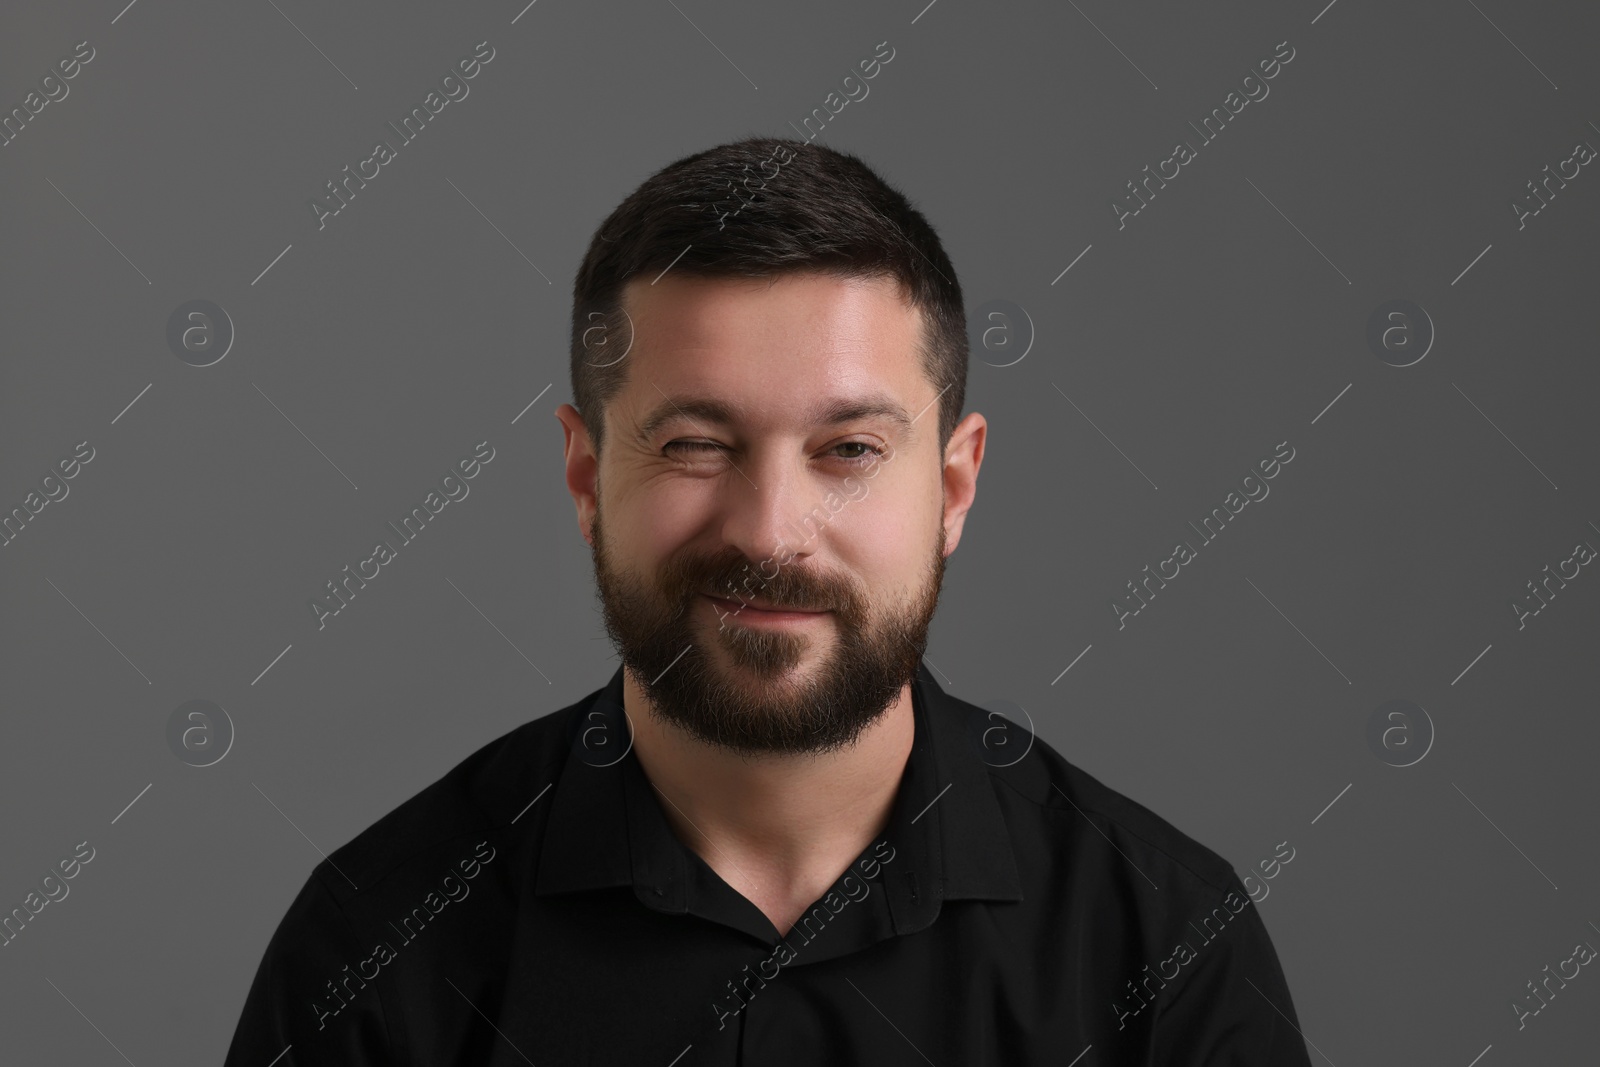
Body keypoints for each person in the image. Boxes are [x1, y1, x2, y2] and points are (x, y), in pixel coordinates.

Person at [223, 136, 1314, 1065]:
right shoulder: (377, 944)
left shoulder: (1162, 945)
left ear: (951, 487)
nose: (768, 529)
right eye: (696, 444)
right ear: (586, 475)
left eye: (848, 449)